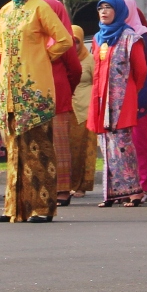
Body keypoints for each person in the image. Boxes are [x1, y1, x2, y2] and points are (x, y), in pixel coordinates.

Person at [0, 0, 72, 223]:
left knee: (37, 147)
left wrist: (42, 57)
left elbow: (64, 39)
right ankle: (13, 207)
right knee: (14, 148)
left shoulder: (40, 8)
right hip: (9, 90)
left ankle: (42, 207)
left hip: (34, 89)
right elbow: (1, 47)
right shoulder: (4, 12)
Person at [88, 0, 147, 207]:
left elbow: (140, 71)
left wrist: (127, 92)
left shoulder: (130, 37)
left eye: (108, 8)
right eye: (100, 8)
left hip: (122, 99)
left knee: (123, 145)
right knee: (106, 146)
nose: (103, 12)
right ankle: (113, 193)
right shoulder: (97, 38)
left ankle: (134, 192)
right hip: (101, 98)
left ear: (119, 11)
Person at [42, 0, 84, 207]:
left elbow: (75, 70)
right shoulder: (34, 37)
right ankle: (45, 186)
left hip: (58, 95)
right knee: (41, 144)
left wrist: (67, 89)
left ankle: (62, 189)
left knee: (59, 143)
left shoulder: (63, 38)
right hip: (36, 96)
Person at [67, 26, 94, 199]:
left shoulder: (89, 59)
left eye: (76, 41)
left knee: (83, 149)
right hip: (67, 108)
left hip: (85, 107)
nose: (73, 45)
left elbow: (97, 81)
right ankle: (67, 184)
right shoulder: (64, 59)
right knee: (68, 149)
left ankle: (82, 185)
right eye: (70, 41)